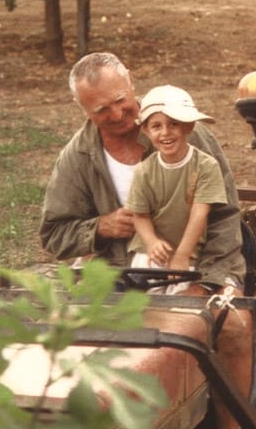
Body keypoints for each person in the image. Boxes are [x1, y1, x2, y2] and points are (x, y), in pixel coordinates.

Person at [39, 52, 245, 289]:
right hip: (118, 271)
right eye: (101, 110)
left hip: (198, 263)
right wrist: (101, 227)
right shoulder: (78, 156)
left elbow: (225, 217)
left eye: (119, 100)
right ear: (82, 107)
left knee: (217, 322)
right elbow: (53, 233)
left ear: (131, 80)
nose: (116, 115)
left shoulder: (184, 131)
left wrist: (208, 279)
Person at [127, 85, 229, 280]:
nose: (165, 132)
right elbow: (139, 215)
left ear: (188, 126)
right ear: (146, 131)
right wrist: (152, 242)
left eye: (173, 124)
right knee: (144, 302)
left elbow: (200, 213)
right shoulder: (144, 170)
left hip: (187, 252)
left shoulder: (205, 165)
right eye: (156, 126)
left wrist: (182, 256)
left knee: (180, 304)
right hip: (150, 253)